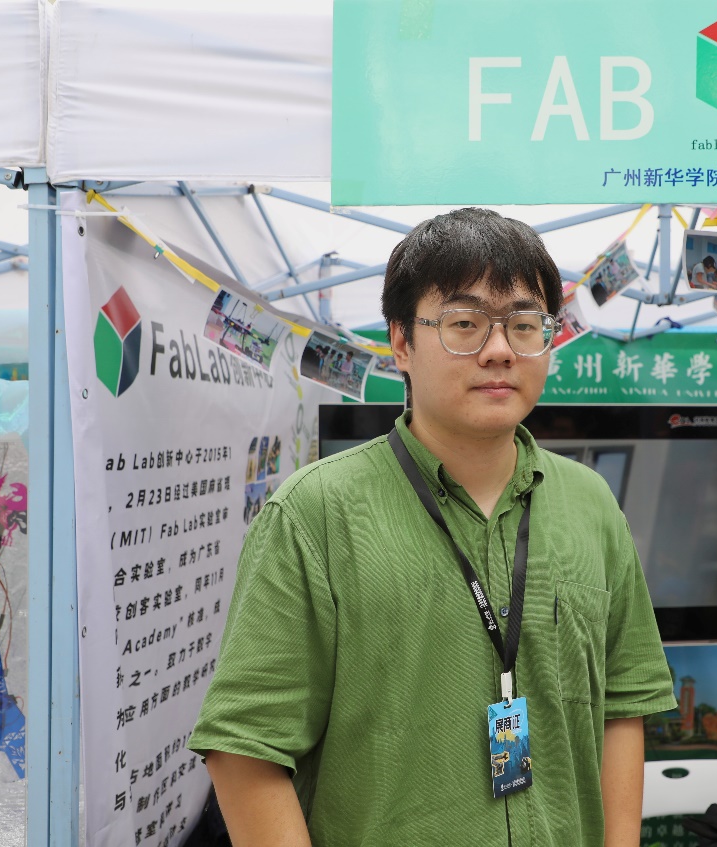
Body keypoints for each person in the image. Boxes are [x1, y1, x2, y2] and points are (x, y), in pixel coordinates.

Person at [189, 208, 676, 847]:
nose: (499, 349)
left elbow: (622, 706)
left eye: (524, 324)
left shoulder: (593, 505)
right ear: (400, 343)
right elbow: (244, 749)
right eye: (464, 324)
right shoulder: (313, 516)